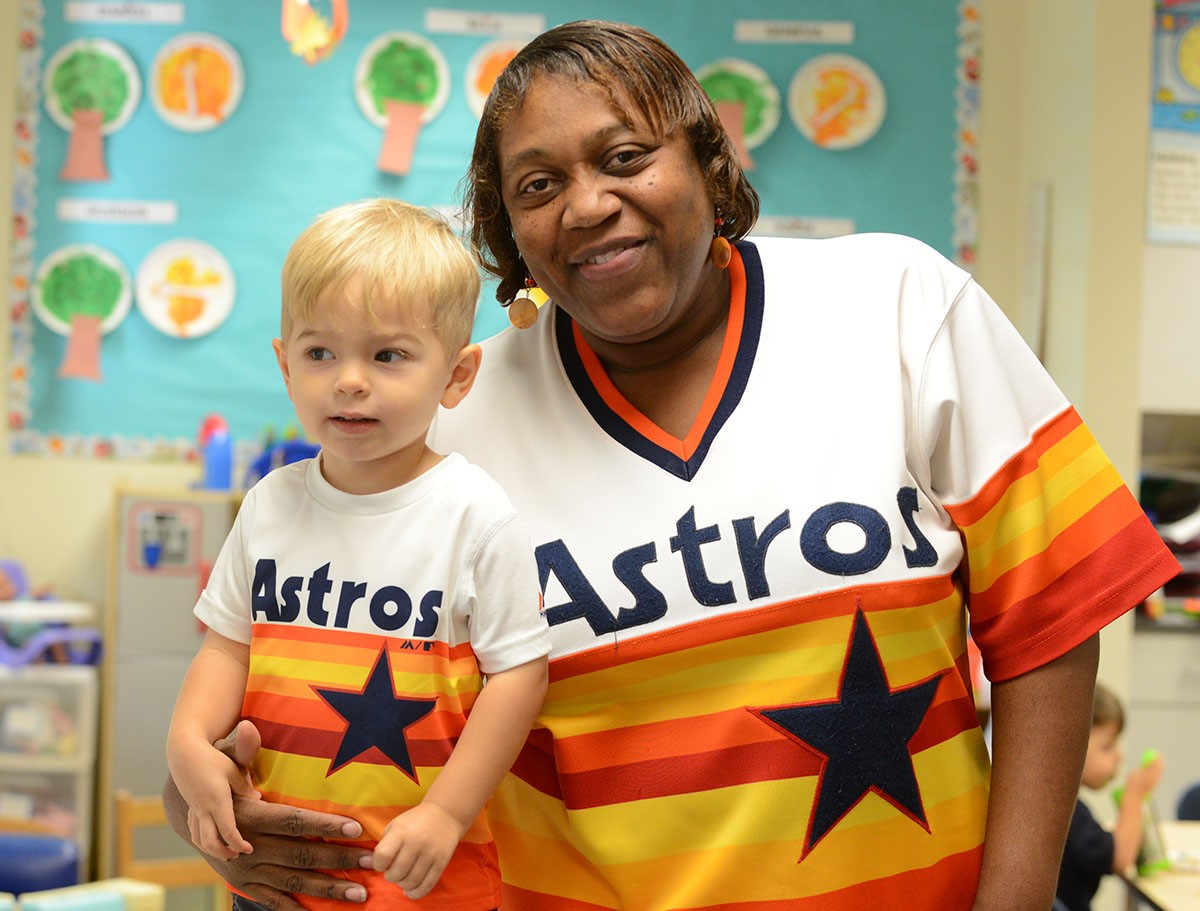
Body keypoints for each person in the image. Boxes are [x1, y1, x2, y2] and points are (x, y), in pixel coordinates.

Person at [164, 20, 1180, 911]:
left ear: (707, 158)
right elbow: (307, 676)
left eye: (624, 155)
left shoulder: (900, 306)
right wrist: (206, 798)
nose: (589, 203)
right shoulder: (447, 433)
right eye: (538, 185)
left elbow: (1050, 619)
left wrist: (1013, 900)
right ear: (508, 234)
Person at [165, 198, 551, 909]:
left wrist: (446, 812)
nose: (349, 378)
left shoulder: (476, 513)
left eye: (387, 355)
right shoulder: (269, 504)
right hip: (275, 875)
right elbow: (227, 647)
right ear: (286, 365)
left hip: (423, 881)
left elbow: (519, 677)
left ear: (457, 375)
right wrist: (187, 744)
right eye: (320, 352)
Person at [1055, 684, 1165, 911]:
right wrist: (1134, 796)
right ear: (1070, 743)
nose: (1119, 757)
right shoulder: (1067, 813)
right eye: (1107, 747)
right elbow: (1121, 858)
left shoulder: (1061, 805)